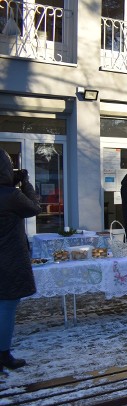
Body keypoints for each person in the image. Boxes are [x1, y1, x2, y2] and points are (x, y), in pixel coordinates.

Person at [0, 149, 41, 373]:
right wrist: (24, 183)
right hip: (7, 260)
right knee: (6, 306)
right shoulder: (9, 195)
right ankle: (3, 354)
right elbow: (34, 207)